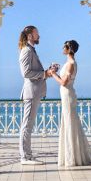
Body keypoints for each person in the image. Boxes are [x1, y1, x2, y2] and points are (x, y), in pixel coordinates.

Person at [51, 39, 91, 167]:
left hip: (67, 94)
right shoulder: (69, 63)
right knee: (69, 123)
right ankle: (71, 155)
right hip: (66, 94)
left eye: (64, 46)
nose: (62, 48)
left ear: (69, 49)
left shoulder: (71, 63)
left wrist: (53, 73)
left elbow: (63, 82)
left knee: (70, 124)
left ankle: (72, 157)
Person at [18, 25, 55, 165]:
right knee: (27, 125)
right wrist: (44, 74)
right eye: (36, 34)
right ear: (29, 36)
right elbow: (26, 73)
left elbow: (35, 72)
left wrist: (47, 73)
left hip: (35, 93)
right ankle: (25, 157)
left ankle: (27, 155)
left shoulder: (31, 50)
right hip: (31, 93)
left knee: (29, 124)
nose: (39, 36)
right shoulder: (26, 51)